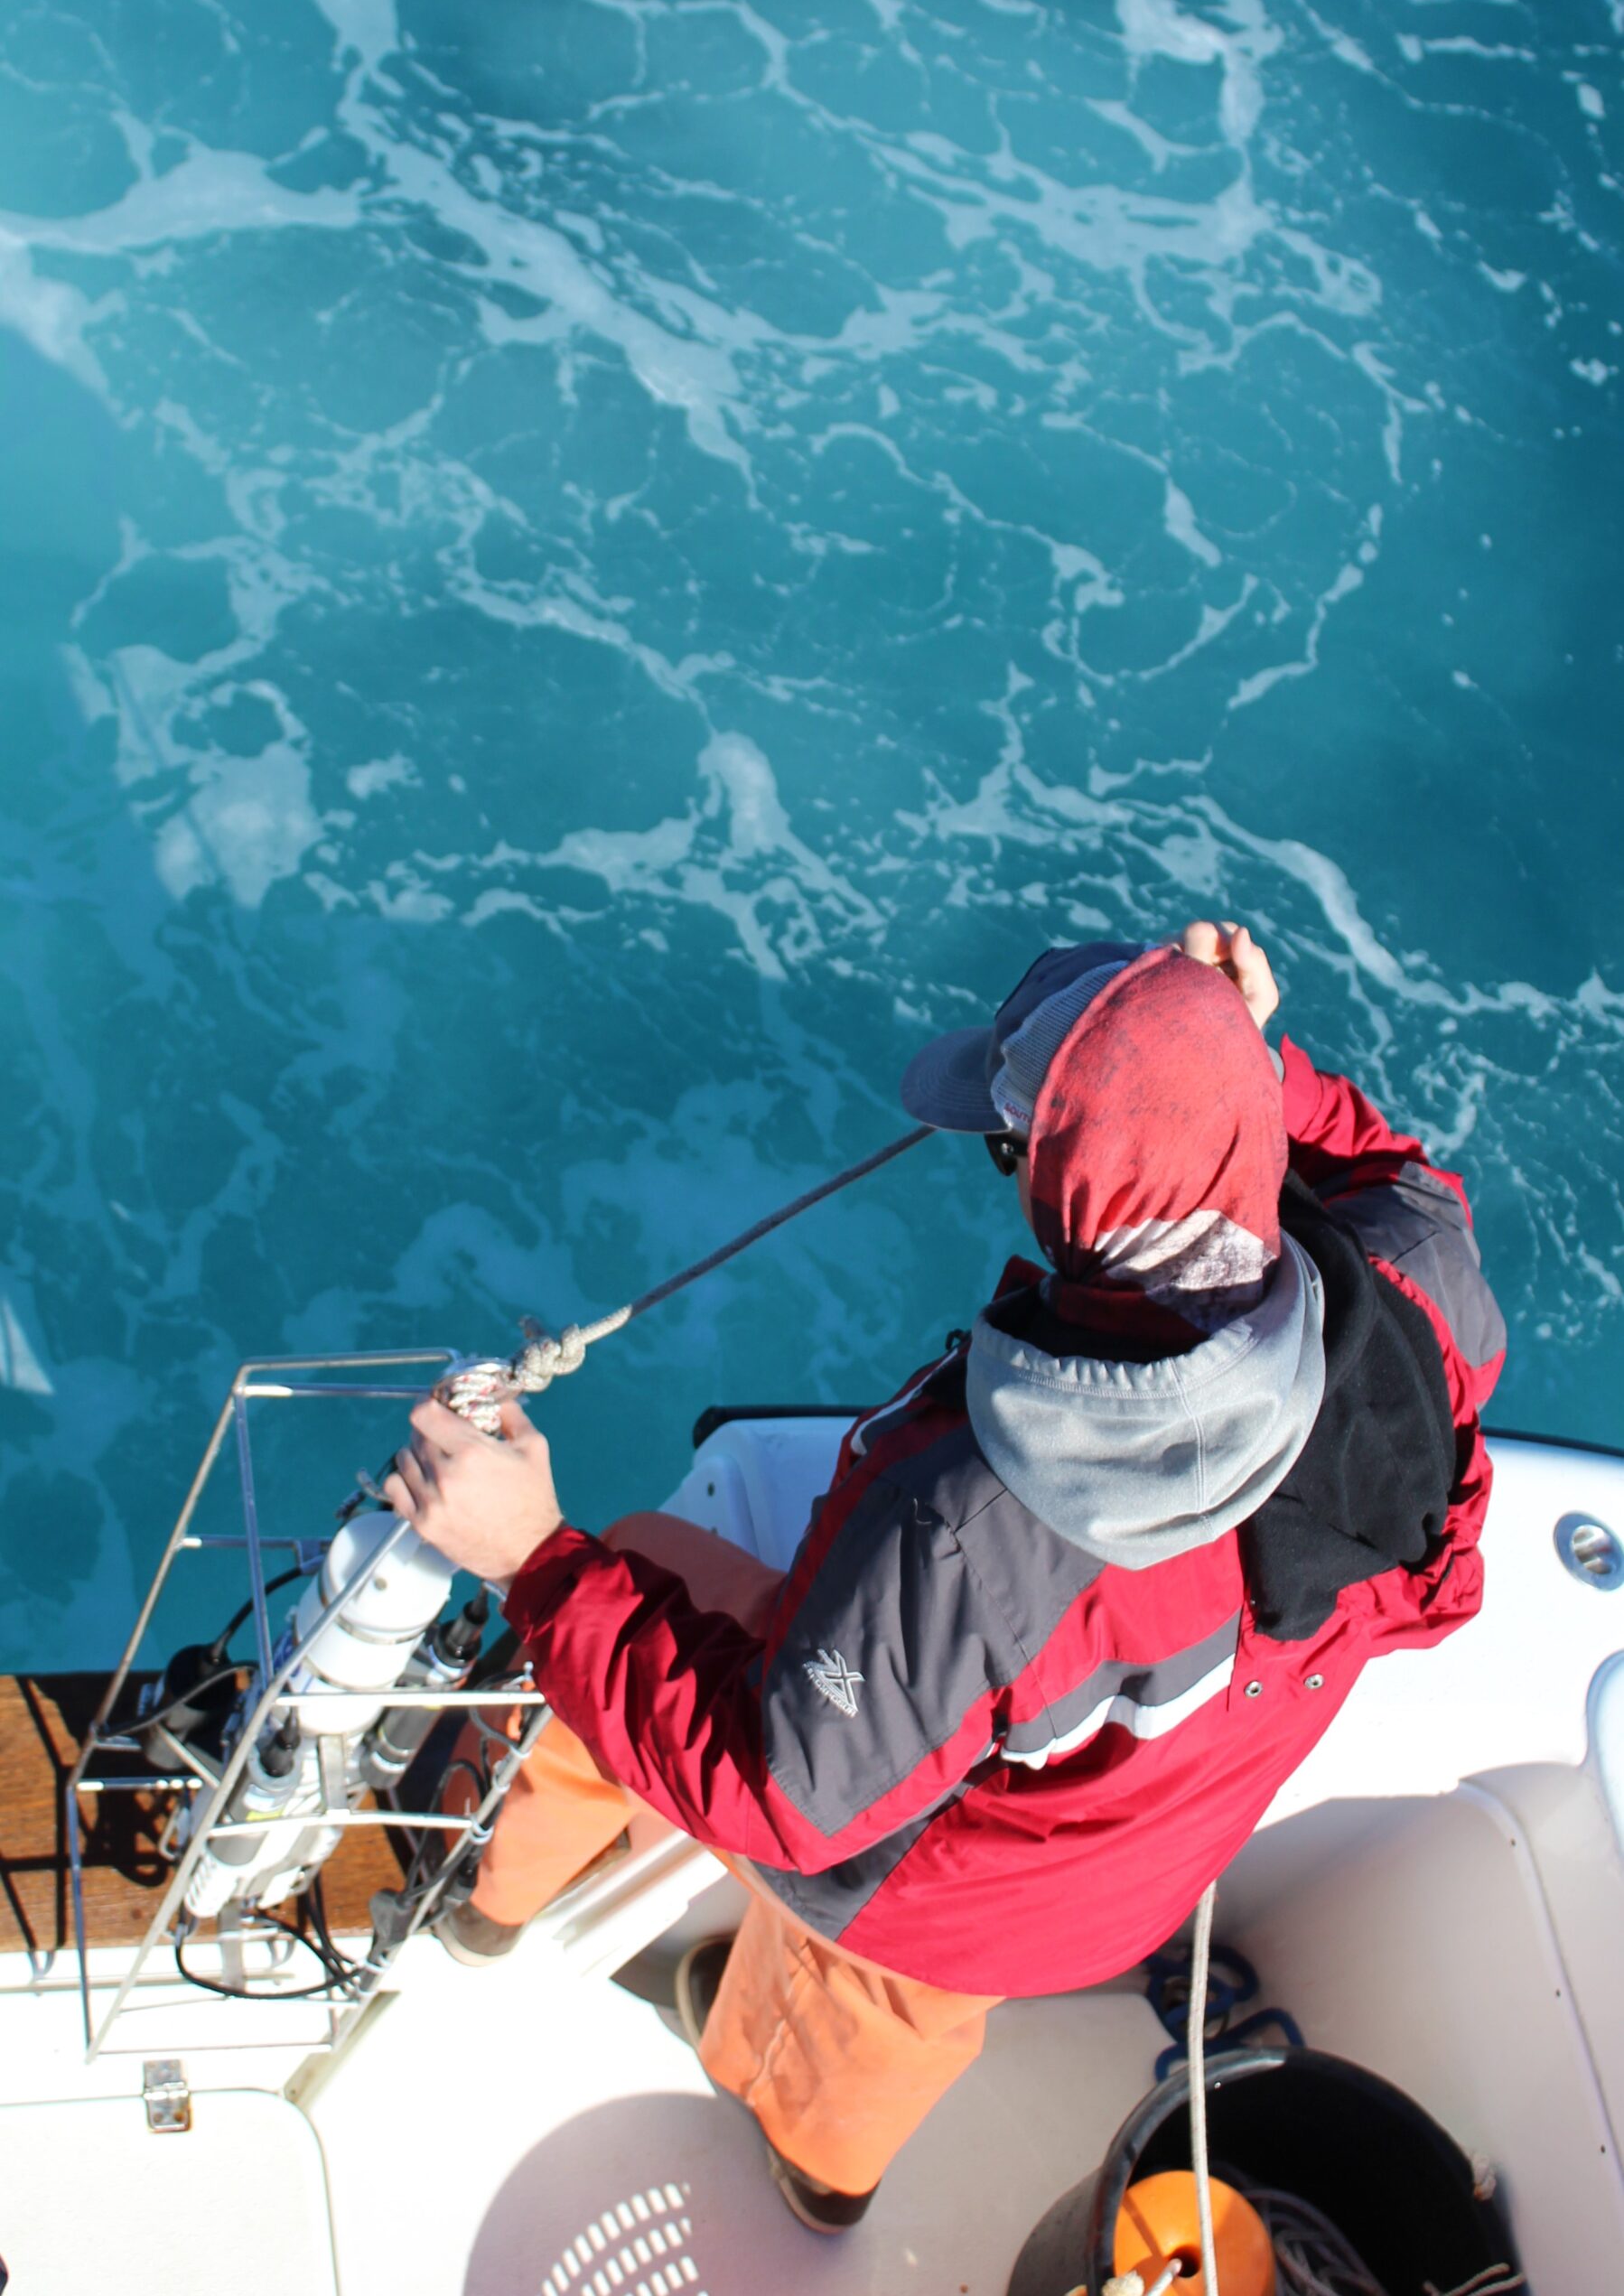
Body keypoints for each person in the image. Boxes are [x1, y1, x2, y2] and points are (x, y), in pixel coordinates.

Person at [382, 919, 1505, 2232]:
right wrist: (1236, 1062)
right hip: (1131, 1877)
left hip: (936, 1882)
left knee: (630, 1576)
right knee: (902, 2010)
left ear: (1051, 1181)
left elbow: (783, 1791)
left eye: (1008, 1144)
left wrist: (530, 1555)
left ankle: (489, 1908)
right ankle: (819, 2176)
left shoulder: (985, 1527)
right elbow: (1400, 1181)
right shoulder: (1422, 1296)